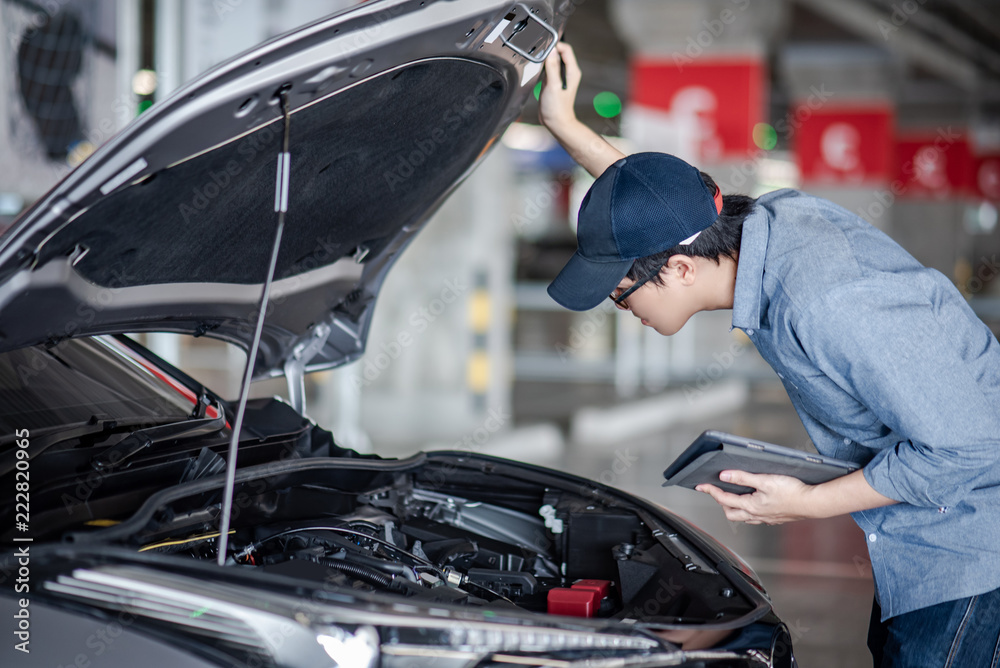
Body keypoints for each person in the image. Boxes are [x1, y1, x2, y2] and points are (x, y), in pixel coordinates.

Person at [538, 42, 1000, 666]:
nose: (623, 310)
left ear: (678, 269)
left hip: (967, 549)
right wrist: (566, 128)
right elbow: (655, 205)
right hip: (918, 541)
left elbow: (967, 446)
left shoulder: (827, 300)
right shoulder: (761, 223)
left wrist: (803, 504)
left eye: (622, 296)